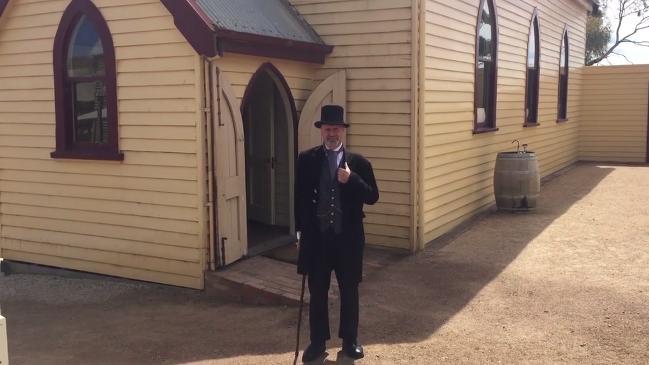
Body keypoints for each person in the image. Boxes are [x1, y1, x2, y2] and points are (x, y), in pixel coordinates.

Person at [295, 104, 379, 362]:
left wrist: (352, 180)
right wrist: (299, 234)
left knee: (349, 290)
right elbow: (299, 198)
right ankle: (317, 342)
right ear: (322, 131)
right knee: (317, 291)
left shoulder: (359, 163)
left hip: (348, 240)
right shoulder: (306, 159)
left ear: (342, 130)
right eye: (327, 129)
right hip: (317, 239)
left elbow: (373, 196)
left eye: (336, 129)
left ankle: (350, 340)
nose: (331, 133)